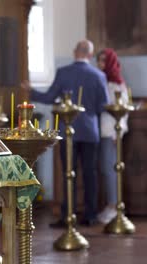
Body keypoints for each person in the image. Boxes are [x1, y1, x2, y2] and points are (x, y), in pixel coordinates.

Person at [23, 40, 110, 227]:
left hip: (67, 130)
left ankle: (66, 215)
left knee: (68, 173)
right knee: (90, 173)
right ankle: (90, 215)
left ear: (74, 52)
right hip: (90, 131)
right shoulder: (99, 76)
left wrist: (31, 92)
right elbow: (103, 104)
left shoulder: (64, 73)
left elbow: (48, 97)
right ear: (90, 55)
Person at [96, 48, 129, 224]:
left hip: (111, 131)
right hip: (99, 130)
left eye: (103, 60)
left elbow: (123, 111)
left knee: (110, 169)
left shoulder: (117, 84)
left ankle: (114, 206)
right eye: (98, 60)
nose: (100, 64)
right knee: (103, 168)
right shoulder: (99, 80)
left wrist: (119, 131)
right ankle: (109, 204)